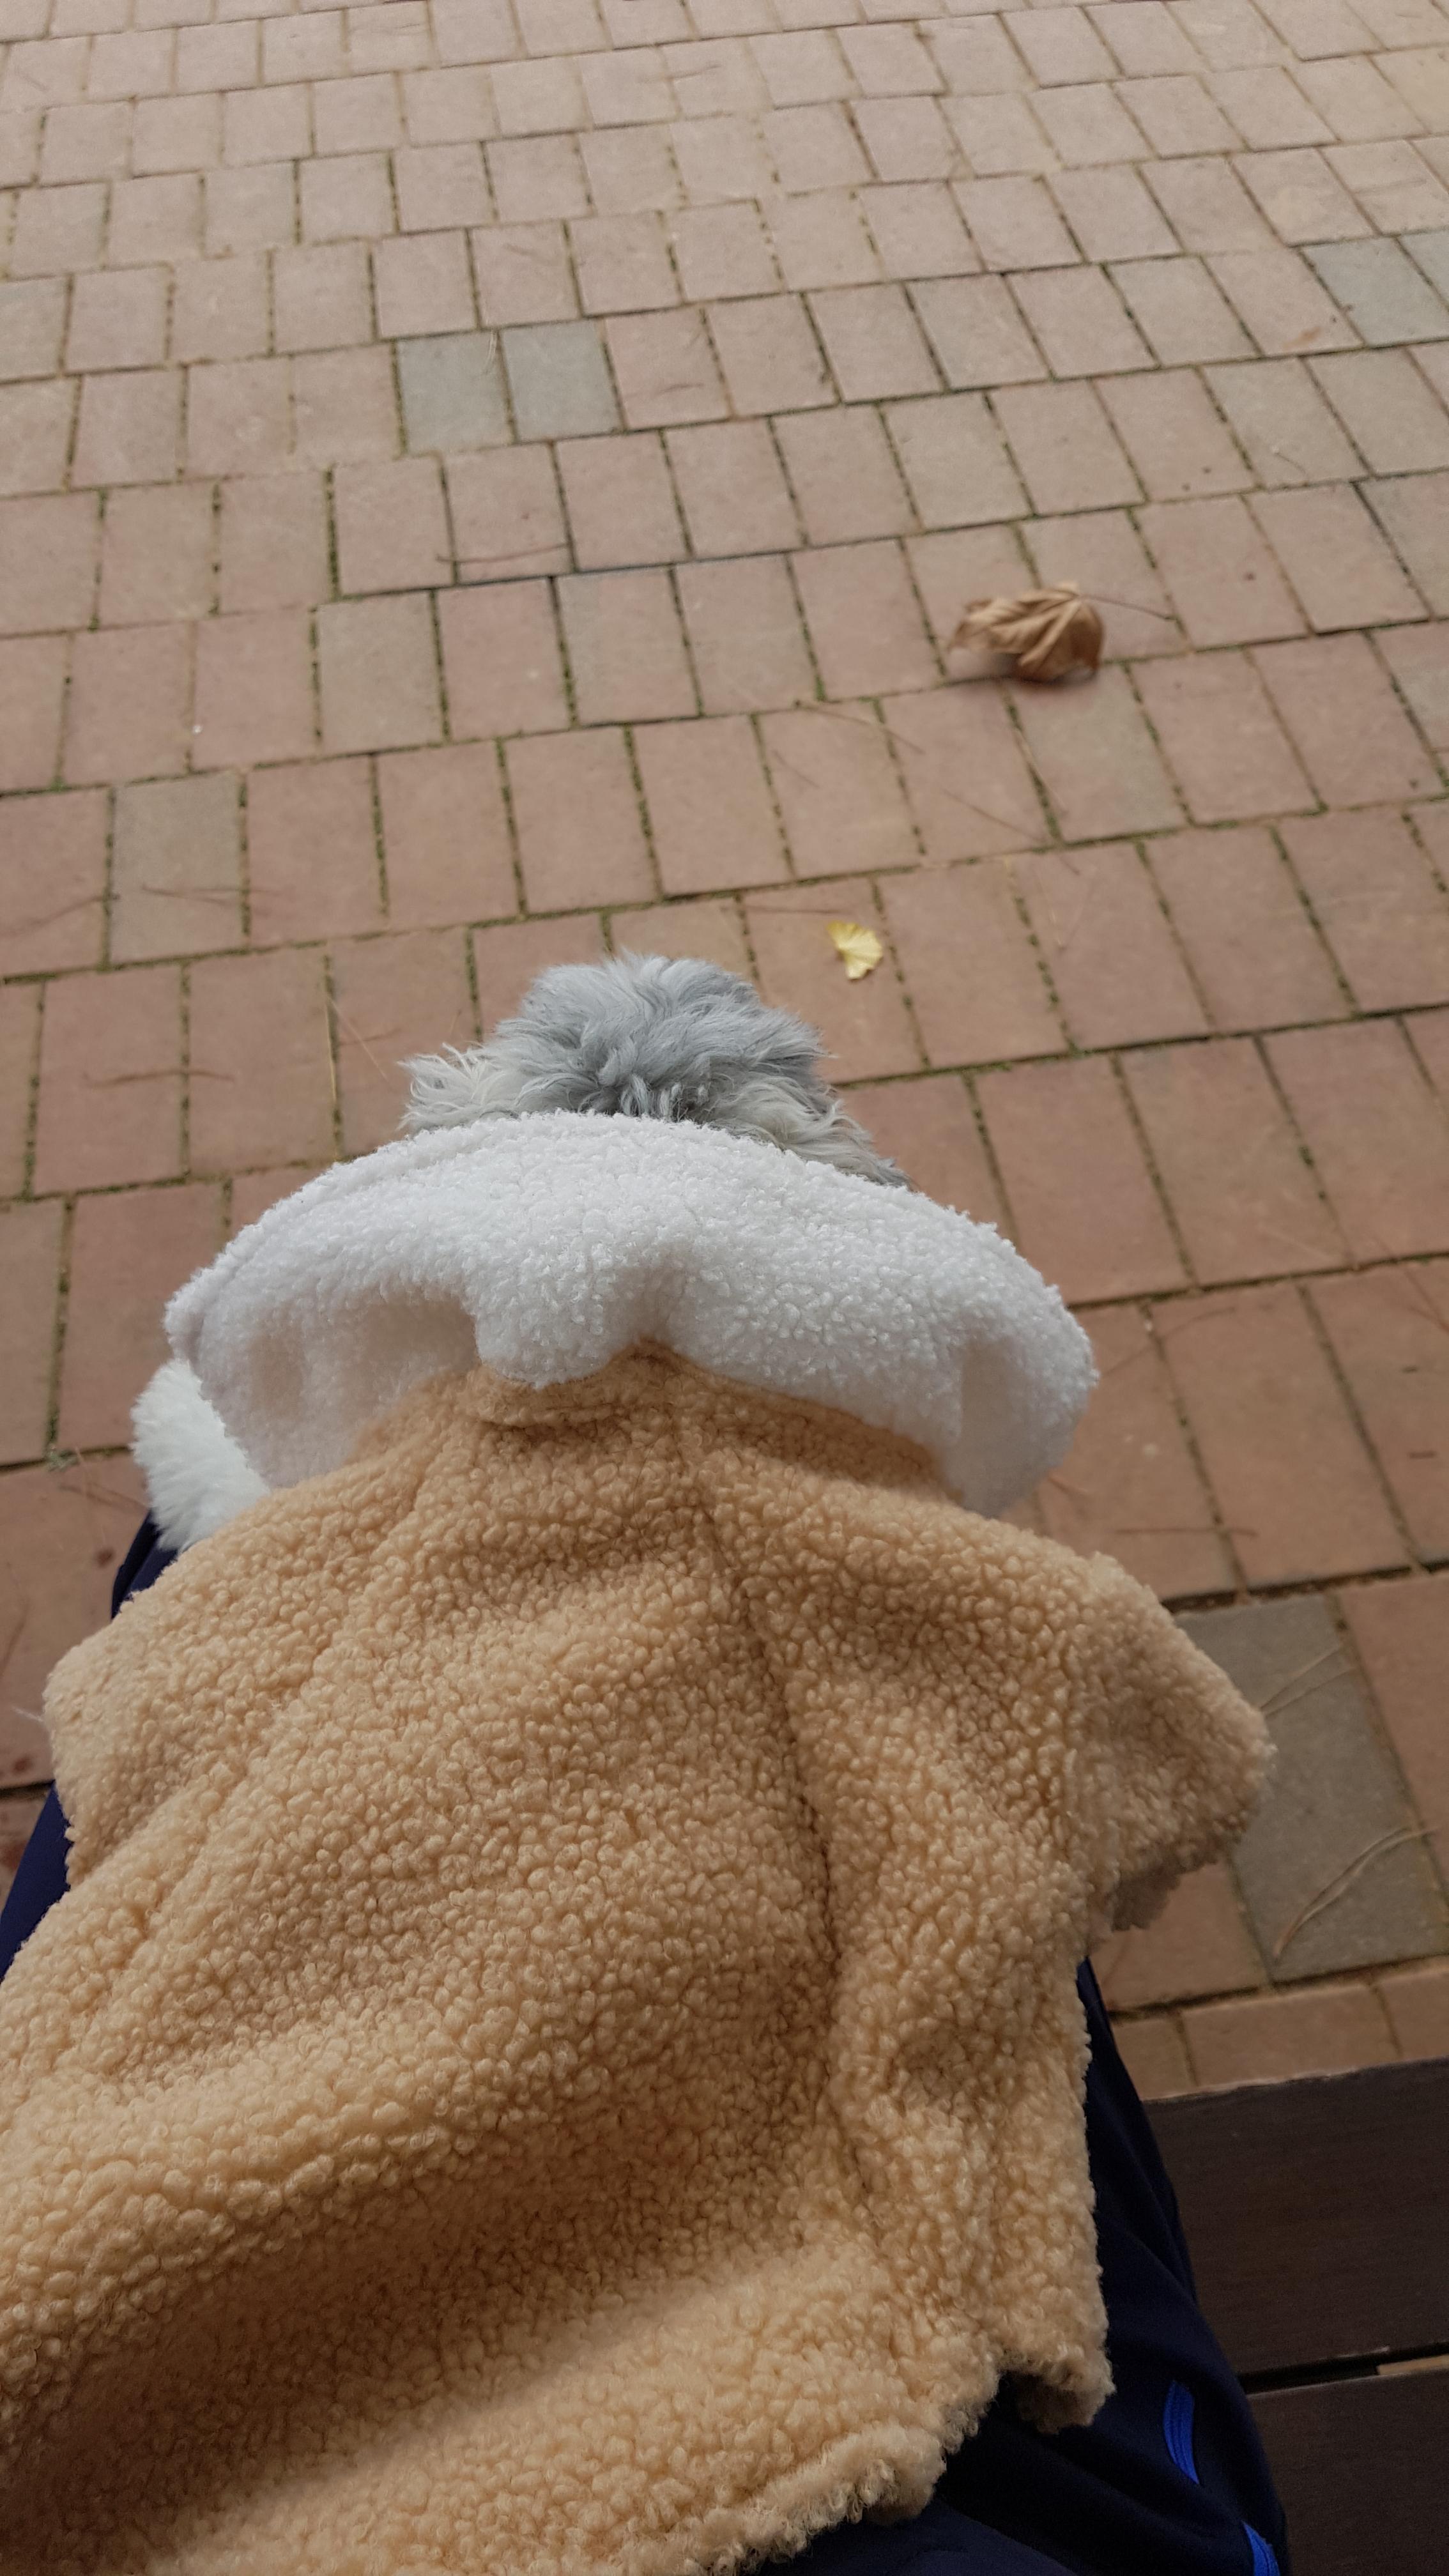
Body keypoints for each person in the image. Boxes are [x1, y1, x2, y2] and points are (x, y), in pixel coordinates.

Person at [0, 956, 1288, 2576]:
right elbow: (1182, 1756)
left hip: (115, 2342)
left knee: (189, 1563)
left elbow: (122, 1728)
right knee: (980, 1879)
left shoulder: (238, 1590)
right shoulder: (955, 1598)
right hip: (828, 2408)